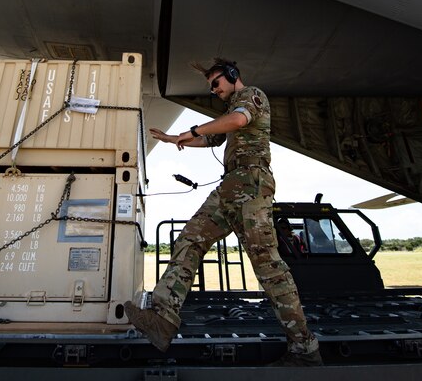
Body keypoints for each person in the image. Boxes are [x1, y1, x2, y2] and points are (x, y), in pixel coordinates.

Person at [124, 58, 322, 367]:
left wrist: (191, 128)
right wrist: (177, 139)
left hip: (252, 185)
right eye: (211, 86)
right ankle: (162, 320)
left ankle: (304, 349)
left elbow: (238, 122)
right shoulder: (228, 111)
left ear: (232, 76)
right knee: (190, 239)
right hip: (230, 188)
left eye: (216, 83)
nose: (213, 90)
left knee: (268, 268)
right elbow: (211, 138)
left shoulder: (252, 96)